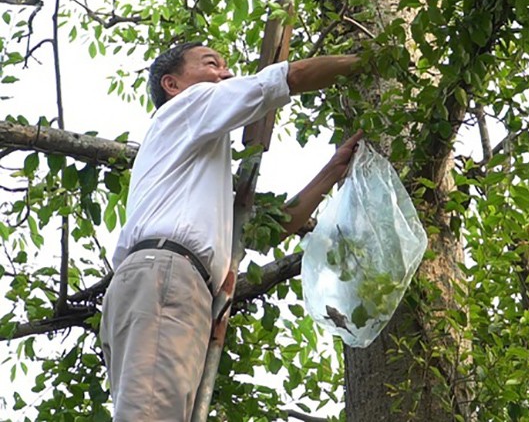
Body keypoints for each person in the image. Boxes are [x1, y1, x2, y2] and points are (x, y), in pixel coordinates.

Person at [99, 41, 364, 421]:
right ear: (172, 84)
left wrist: (334, 169)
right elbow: (289, 78)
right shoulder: (189, 106)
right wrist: (371, 61)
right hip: (166, 278)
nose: (225, 74)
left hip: (165, 284)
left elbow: (275, 227)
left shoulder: (197, 166)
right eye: (211, 64)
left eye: (226, 66)